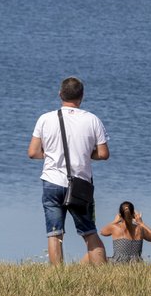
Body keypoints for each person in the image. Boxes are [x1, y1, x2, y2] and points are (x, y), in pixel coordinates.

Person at [27, 76, 110, 265]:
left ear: (60, 94)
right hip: (80, 183)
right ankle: (104, 276)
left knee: (54, 233)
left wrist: (50, 154)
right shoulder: (92, 120)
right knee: (89, 231)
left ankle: (57, 278)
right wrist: (84, 154)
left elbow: (32, 152)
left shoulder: (45, 119)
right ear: (82, 96)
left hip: (52, 182)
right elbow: (104, 154)